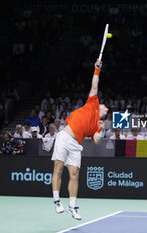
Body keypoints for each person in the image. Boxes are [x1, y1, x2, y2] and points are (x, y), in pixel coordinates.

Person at [51, 60, 108, 220]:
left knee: (74, 174)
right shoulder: (93, 103)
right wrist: (97, 70)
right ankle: (56, 200)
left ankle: (72, 206)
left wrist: (103, 130)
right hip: (65, 137)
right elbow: (94, 86)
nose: (107, 109)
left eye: (107, 110)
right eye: (105, 107)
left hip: (76, 145)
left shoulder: (98, 125)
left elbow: (97, 140)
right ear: (100, 106)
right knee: (58, 168)